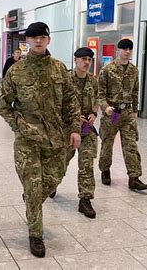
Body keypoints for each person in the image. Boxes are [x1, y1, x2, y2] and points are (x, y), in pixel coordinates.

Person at [0, 22, 81, 258]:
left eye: (42, 37)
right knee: (34, 187)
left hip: (55, 139)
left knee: (53, 180)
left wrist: (74, 129)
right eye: (33, 38)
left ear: (48, 40)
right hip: (28, 141)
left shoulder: (59, 69)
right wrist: (18, 126)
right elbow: (2, 105)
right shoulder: (16, 71)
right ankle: (36, 235)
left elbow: (71, 102)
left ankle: (32, 198)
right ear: (28, 42)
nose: (38, 41)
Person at [52, 47, 98, 218]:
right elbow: (56, 104)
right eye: (83, 59)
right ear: (75, 60)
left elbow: (96, 100)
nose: (87, 62)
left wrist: (94, 113)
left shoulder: (93, 81)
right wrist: (73, 117)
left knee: (87, 164)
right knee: (61, 162)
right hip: (68, 130)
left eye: (89, 59)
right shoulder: (66, 80)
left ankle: (85, 200)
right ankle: (51, 184)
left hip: (87, 130)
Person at [98, 38, 147, 191]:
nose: (127, 52)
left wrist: (135, 111)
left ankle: (134, 177)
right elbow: (100, 94)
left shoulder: (134, 70)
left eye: (129, 49)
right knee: (107, 144)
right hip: (112, 113)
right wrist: (105, 107)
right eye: (124, 49)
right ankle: (105, 170)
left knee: (131, 145)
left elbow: (135, 92)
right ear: (118, 50)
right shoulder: (107, 69)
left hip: (127, 113)